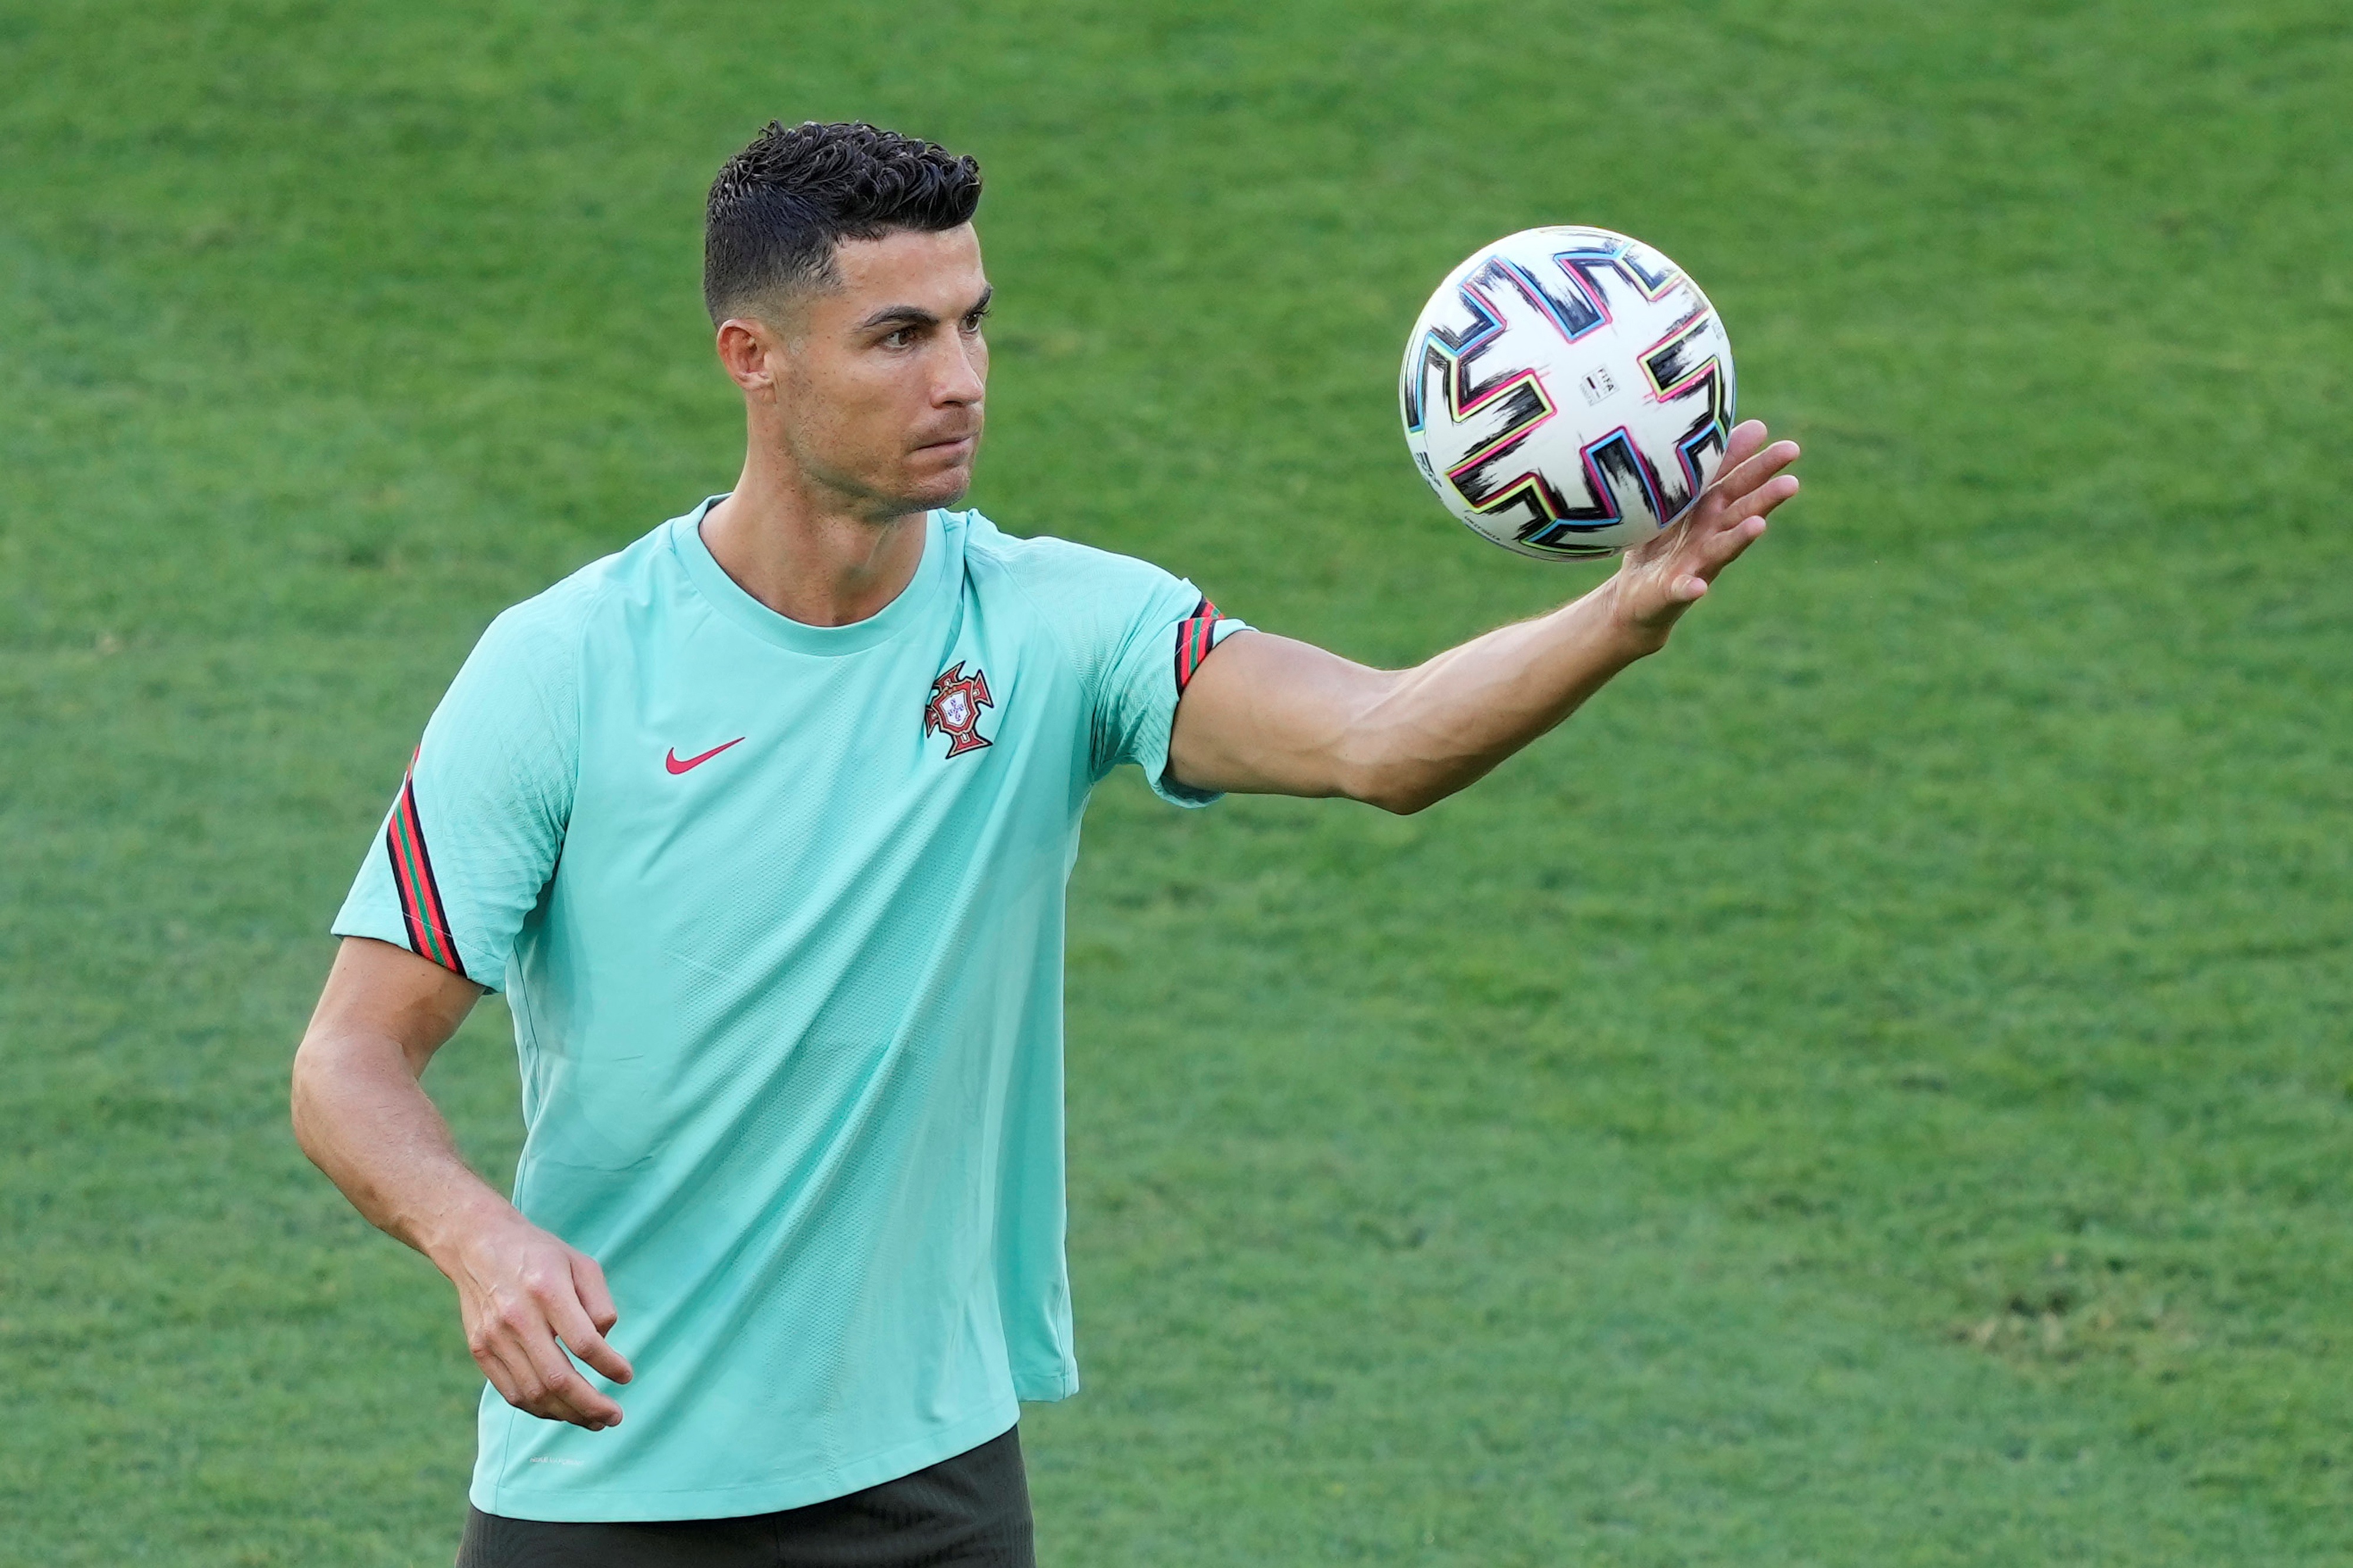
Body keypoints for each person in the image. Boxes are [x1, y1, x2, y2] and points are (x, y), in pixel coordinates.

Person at [290, 119, 1800, 1568]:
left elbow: (1378, 738)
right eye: (899, 337)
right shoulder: (563, 668)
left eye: (972, 323)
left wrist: (1616, 617)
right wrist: (479, 1241)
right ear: (753, 361)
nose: (960, 380)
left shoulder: (1059, 627)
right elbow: (349, 1060)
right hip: (608, 1480)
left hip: (925, 1487)